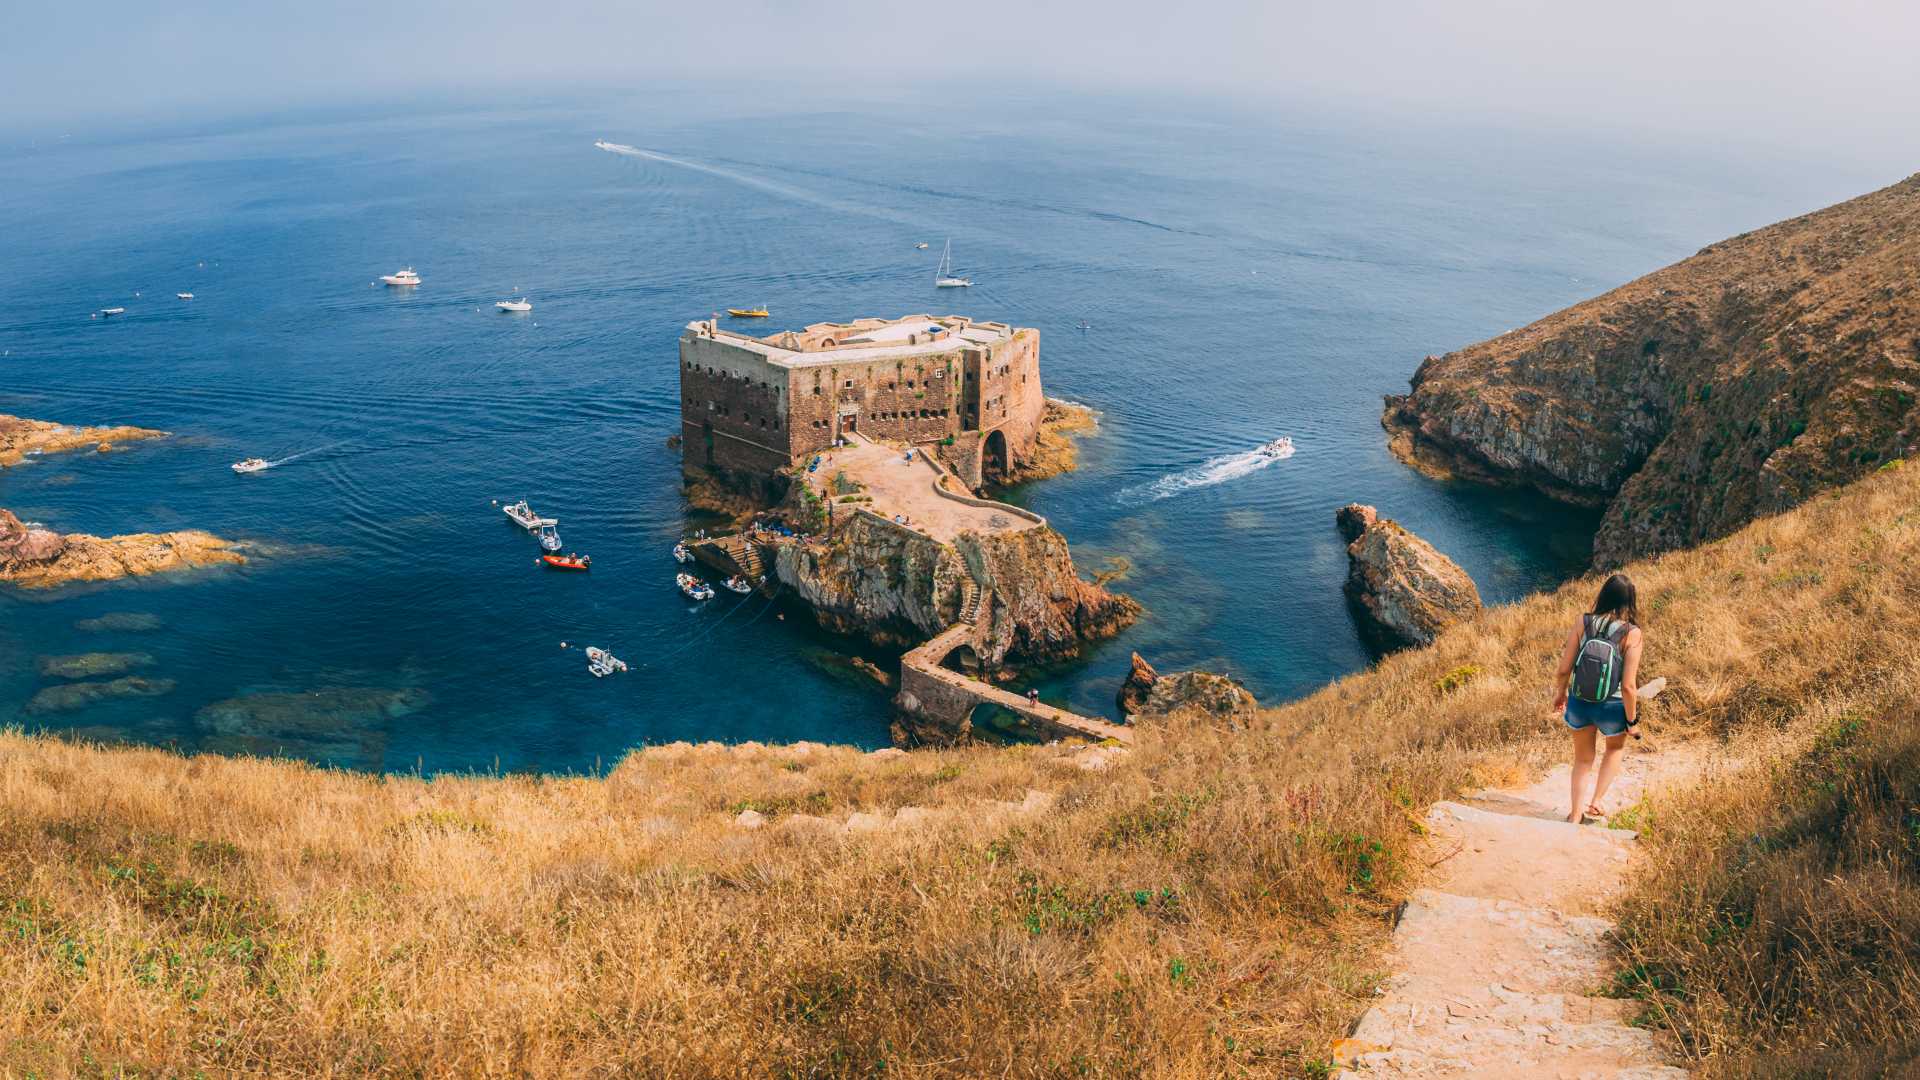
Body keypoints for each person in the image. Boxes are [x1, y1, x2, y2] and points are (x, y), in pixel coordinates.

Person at [1550, 573, 1644, 823]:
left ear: (1603, 595)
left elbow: (1564, 668)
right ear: (1630, 600)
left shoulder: (1584, 622)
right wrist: (1632, 722)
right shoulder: (1633, 633)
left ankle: (1575, 814)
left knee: (1582, 760)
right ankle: (1596, 802)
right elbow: (1629, 686)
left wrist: (1560, 694)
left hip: (1580, 702)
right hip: (1612, 706)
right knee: (1614, 749)